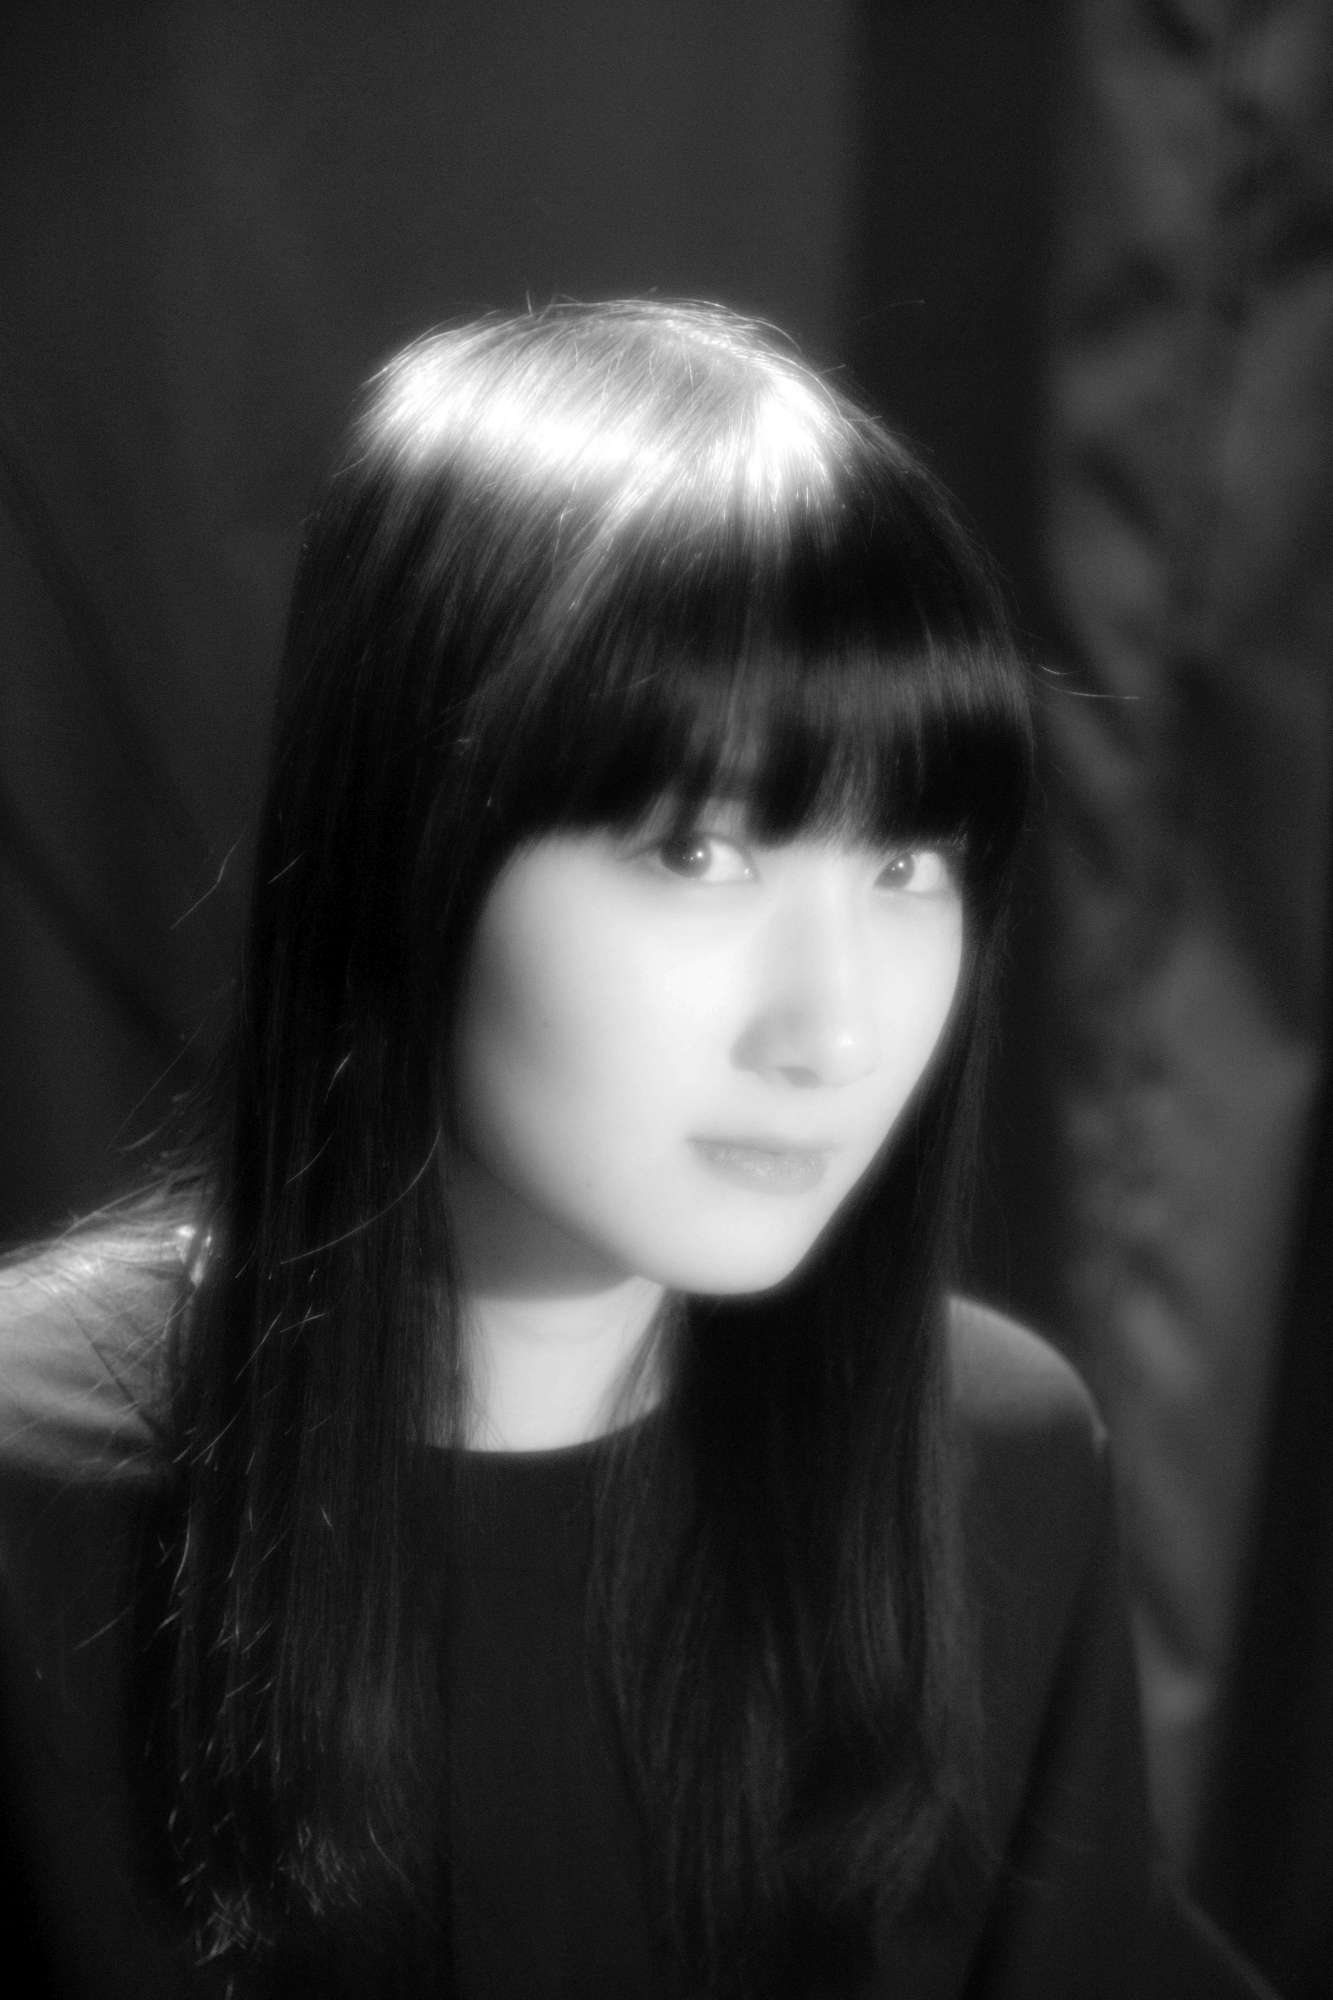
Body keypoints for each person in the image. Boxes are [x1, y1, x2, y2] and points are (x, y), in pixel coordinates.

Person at [0, 301, 1271, 1999]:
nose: (832, 1033)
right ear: (408, 837)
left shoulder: (995, 1466)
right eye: (698, 853)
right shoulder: (33, 1501)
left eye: (908, 866)